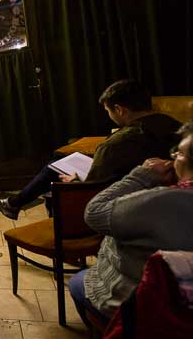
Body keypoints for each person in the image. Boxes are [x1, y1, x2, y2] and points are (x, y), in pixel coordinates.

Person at [0, 79, 181, 219]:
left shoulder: (116, 144)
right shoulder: (177, 126)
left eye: (108, 111)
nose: (109, 115)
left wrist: (75, 181)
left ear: (120, 110)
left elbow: (93, 189)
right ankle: (14, 203)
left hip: (120, 201)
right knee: (57, 162)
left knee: (55, 169)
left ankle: (18, 206)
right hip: (156, 192)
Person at [69, 119, 193, 325]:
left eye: (179, 153)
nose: (172, 158)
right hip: (179, 301)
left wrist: (141, 176)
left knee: (77, 281)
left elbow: (94, 213)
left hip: (143, 301)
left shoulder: (163, 202)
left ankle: (111, 335)